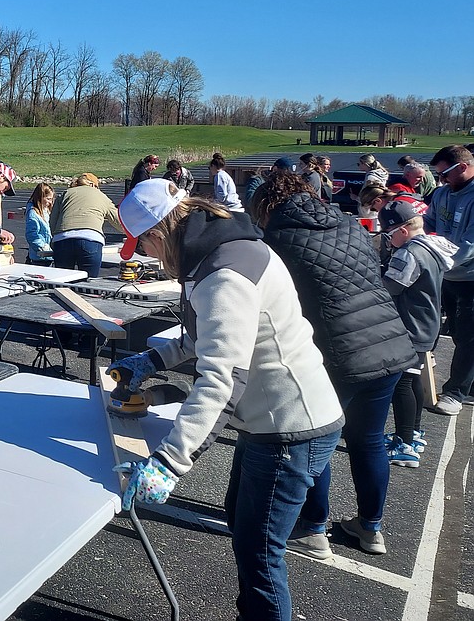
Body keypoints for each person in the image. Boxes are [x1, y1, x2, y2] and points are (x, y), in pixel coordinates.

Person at [109, 178, 343, 620]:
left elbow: (220, 377)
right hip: (276, 418)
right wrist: (154, 358)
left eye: (144, 247)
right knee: (242, 524)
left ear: (159, 234)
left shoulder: (223, 274)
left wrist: (169, 462)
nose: (147, 258)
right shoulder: (220, 248)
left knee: (259, 554)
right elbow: (217, 337)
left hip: (289, 425)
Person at [251, 171, 418, 559]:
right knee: (370, 440)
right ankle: (371, 527)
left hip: (339, 352)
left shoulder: (277, 240)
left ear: (265, 207)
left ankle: (313, 528)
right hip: (388, 342)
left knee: (315, 436)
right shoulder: (348, 224)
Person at [379, 201, 456, 467]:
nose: (387, 240)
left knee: (400, 384)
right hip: (427, 324)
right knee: (413, 379)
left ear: (401, 230)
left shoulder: (409, 254)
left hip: (409, 326)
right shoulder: (431, 247)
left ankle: (404, 444)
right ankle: (412, 433)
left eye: (388, 234)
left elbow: (390, 288)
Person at [423, 145, 474, 415]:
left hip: (470, 277)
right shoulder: (442, 193)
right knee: (453, 331)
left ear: (463, 167)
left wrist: (441, 258)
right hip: (445, 275)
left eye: (445, 174)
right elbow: (428, 222)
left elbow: (470, 243)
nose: (441, 180)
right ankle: (470, 382)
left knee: (468, 337)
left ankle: (456, 392)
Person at [49, 173, 122, 278]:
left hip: (63, 239)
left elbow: (53, 221)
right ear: (93, 185)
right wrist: (135, 235)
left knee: (62, 281)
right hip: (90, 239)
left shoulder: (66, 193)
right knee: (88, 284)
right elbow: (118, 221)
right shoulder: (101, 196)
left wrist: (54, 242)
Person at [25, 183, 54, 266]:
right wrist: (43, 247)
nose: (50, 202)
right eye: (48, 199)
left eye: (51, 199)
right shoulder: (33, 214)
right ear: (40, 198)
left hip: (48, 255)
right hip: (39, 256)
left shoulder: (46, 211)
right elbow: (31, 235)